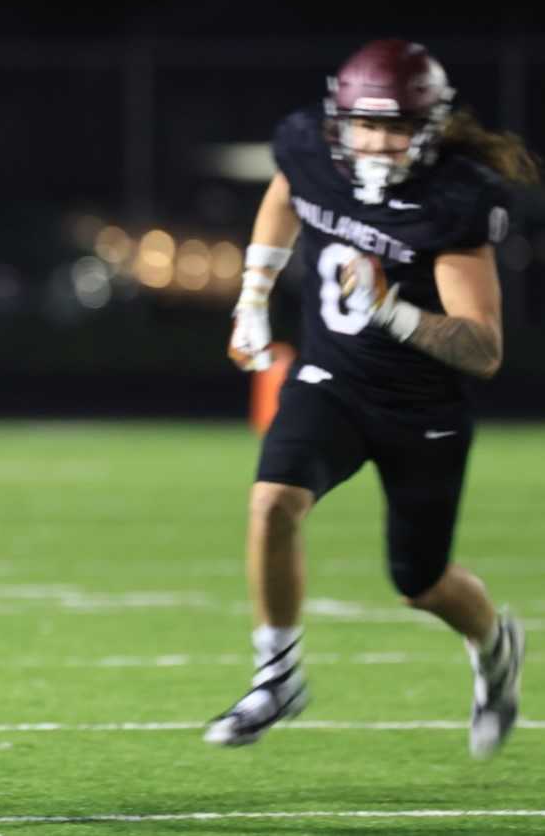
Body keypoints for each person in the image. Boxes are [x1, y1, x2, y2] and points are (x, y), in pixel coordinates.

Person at [211, 38, 536, 756]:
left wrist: (393, 311)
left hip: (421, 409)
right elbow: (286, 192)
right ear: (339, 120)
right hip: (331, 380)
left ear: (429, 129)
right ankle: (277, 676)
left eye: (395, 128)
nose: (379, 142)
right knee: (272, 502)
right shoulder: (310, 148)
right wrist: (253, 298)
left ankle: (494, 647)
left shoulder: (454, 200)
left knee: (420, 583)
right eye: (366, 125)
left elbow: (484, 349)